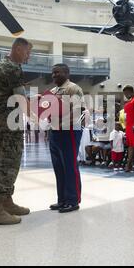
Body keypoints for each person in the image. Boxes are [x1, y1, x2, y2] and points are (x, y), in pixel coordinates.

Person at [0, 38, 33, 226]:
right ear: (18, 48)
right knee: (9, 162)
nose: (29, 56)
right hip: (9, 125)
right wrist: (37, 115)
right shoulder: (12, 68)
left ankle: (6, 201)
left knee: (2, 161)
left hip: (0, 123)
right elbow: (21, 99)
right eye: (27, 52)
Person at [48, 64, 84, 213]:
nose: (54, 75)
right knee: (58, 167)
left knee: (69, 166)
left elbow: (78, 110)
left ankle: (72, 200)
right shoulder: (52, 91)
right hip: (54, 131)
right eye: (53, 73)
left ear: (67, 73)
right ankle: (62, 199)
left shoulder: (73, 89)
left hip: (69, 130)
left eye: (57, 72)